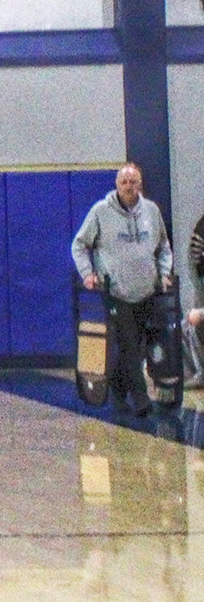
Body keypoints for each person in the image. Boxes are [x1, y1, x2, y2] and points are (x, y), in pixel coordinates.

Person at [73, 162, 174, 416]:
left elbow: (163, 245)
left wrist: (164, 272)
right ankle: (141, 400)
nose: (129, 187)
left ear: (140, 185)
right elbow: (79, 244)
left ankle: (117, 391)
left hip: (147, 290)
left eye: (133, 182)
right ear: (117, 185)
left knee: (138, 346)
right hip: (116, 291)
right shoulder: (100, 211)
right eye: (124, 183)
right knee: (128, 343)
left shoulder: (151, 211)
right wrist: (87, 274)